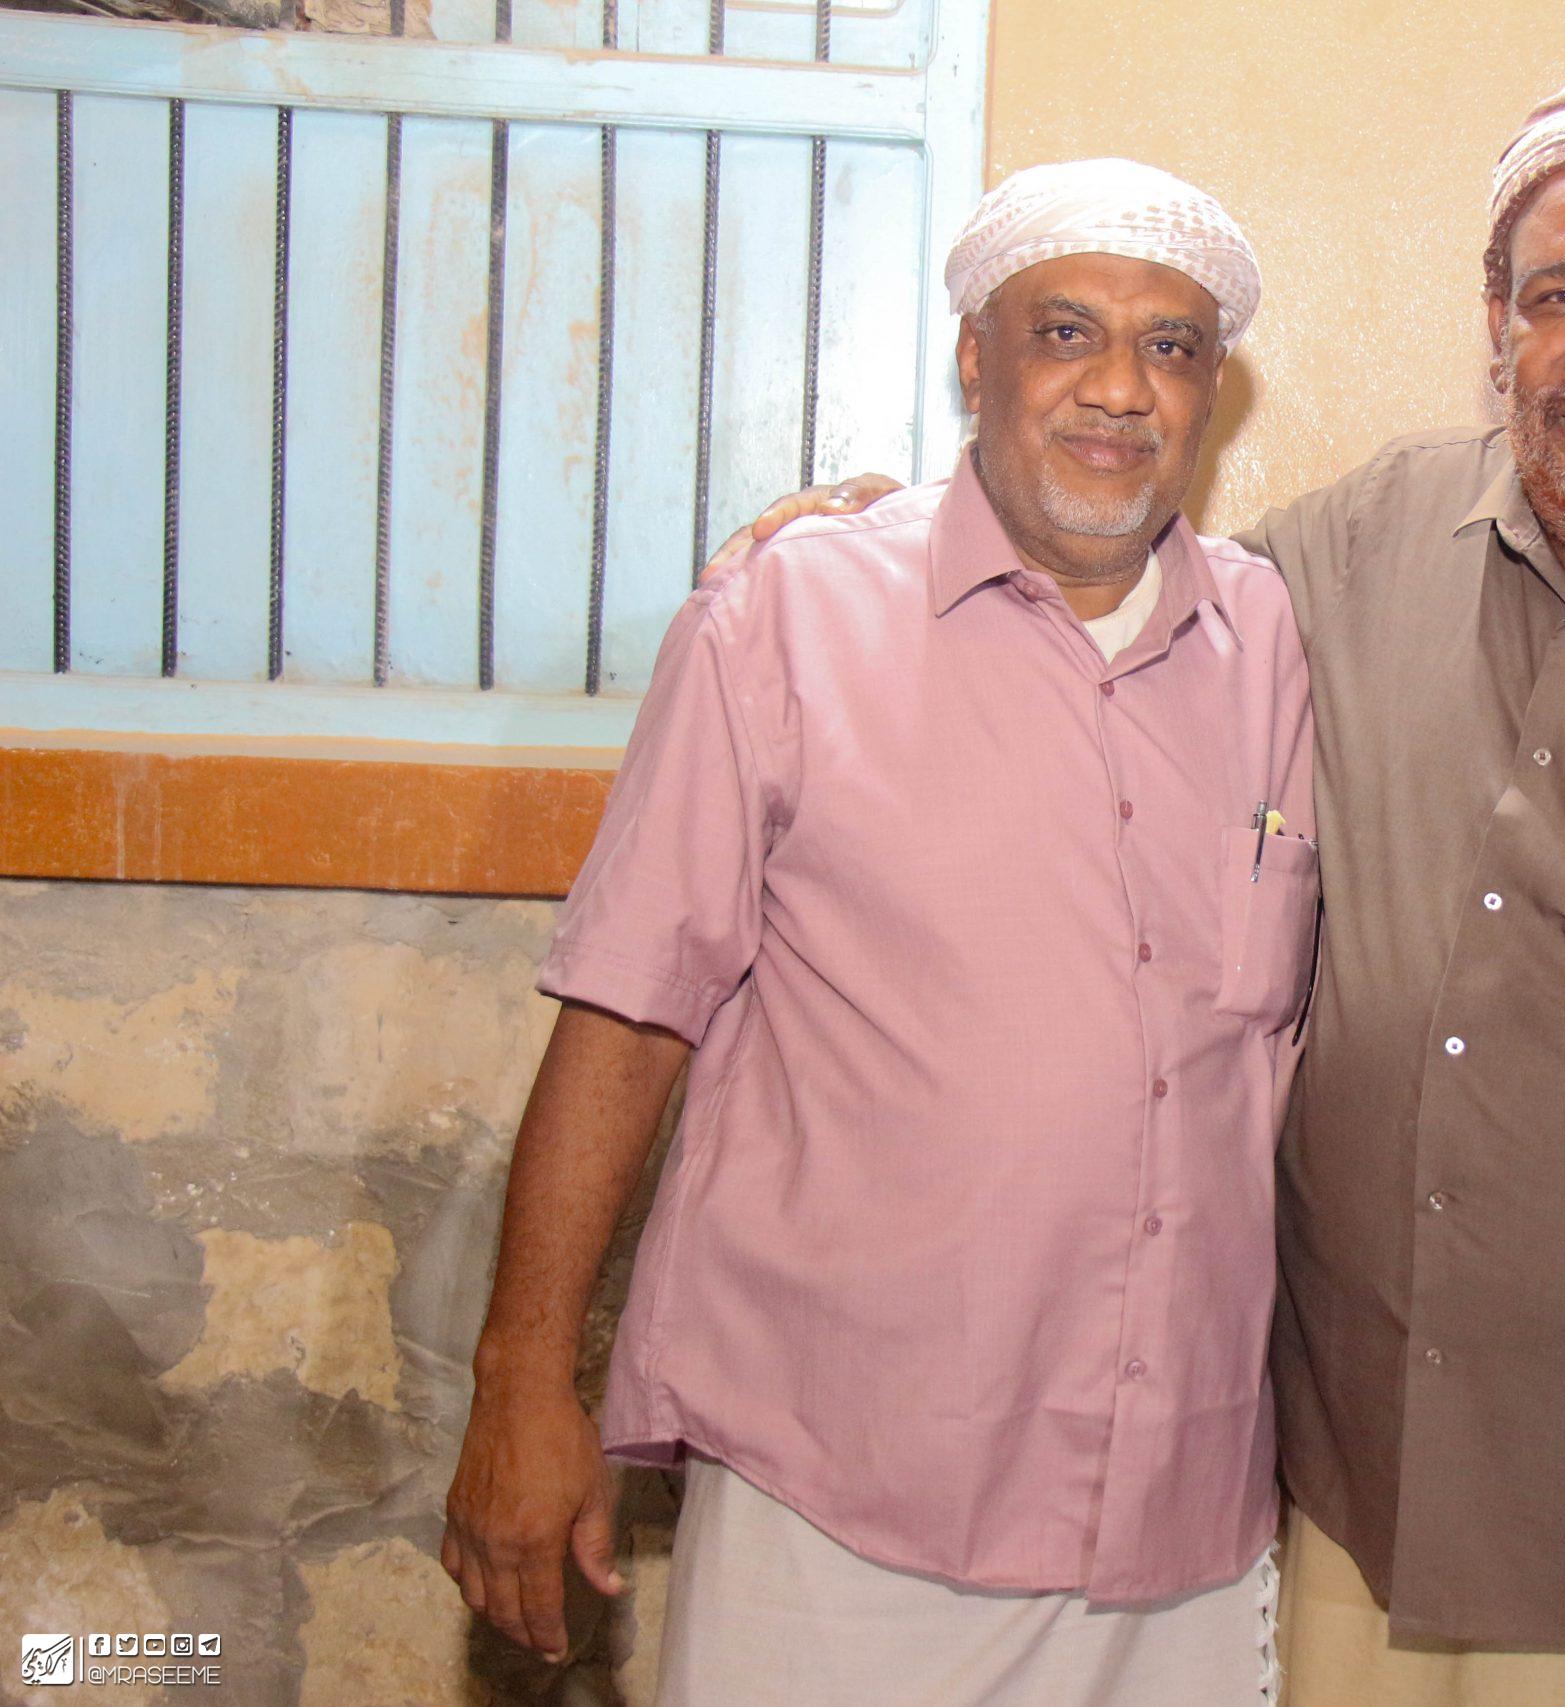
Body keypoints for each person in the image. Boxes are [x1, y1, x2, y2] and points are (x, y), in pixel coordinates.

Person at [724, 56, 1565, 1707]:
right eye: (1555, 295)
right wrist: (885, 529)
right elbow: (1105, 565)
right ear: (1499, 328)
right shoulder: (1359, 548)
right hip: (1377, 1533)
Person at [440, 157, 1315, 1706]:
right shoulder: (789, 617)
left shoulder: (1282, 643)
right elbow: (629, 1014)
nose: (1120, 388)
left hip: (1180, 1518)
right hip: (843, 1506)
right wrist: (523, 1380)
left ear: (1210, 392)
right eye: (1066, 332)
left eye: (1171, 347)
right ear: (977, 357)